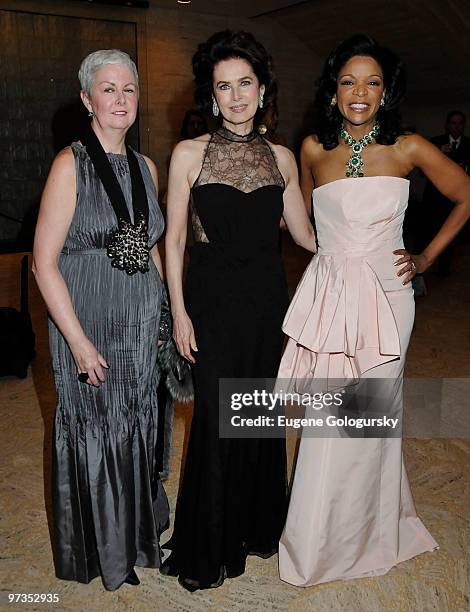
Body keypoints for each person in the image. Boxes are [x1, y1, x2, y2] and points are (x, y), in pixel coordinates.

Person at [278, 34, 470, 587]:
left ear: (386, 92)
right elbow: (307, 224)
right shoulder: (313, 146)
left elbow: (464, 194)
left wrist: (429, 255)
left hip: (389, 298)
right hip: (333, 291)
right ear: (333, 90)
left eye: (372, 82)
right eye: (348, 81)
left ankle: (368, 530)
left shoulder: (408, 146)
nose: (359, 92)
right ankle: (319, 535)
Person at [160, 30, 316, 591]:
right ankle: (211, 542)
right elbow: (173, 240)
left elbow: (305, 236)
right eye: (223, 86)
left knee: (255, 413)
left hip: (266, 304)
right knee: (216, 419)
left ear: (262, 87)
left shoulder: (281, 157)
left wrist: (363, 238)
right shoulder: (188, 154)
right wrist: (178, 311)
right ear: (211, 95)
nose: (235, 96)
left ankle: (253, 525)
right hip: (209, 302)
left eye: (244, 83)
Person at [33, 49, 169, 591]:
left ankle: (136, 537)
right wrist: (80, 345)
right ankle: (100, 551)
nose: (120, 99)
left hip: (139, 324)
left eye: (129, 89)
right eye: (108, 90)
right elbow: (44, 263)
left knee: (136, 423)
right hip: (87, 320)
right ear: (88, 100)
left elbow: (152, 248)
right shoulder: (70, 164)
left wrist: (169, 314)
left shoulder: (145, 167)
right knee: (95, 427)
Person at [424, 111, 470, 276]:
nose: (456, 127)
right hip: (435, 199)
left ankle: (444, 271)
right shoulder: (435, 143)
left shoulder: (469, 144)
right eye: (453, 123)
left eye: (459, 123)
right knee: (427, 233)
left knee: (451, 235)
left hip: (458, 202)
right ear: (447, 125)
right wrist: (438, 154)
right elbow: (423, 172)